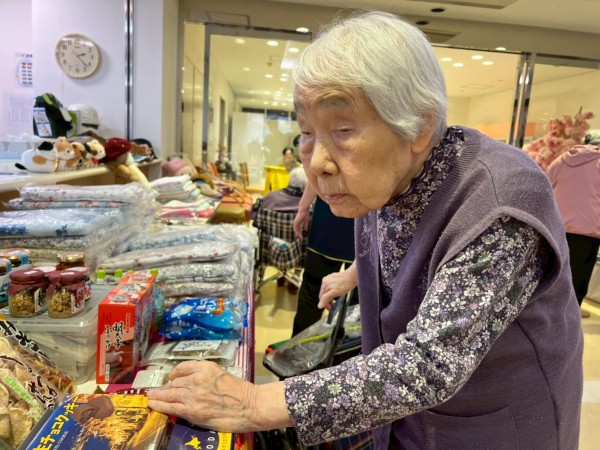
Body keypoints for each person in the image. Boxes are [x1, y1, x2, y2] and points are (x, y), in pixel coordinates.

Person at [147, 11, 583, 449]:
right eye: (306, 132)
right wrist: (357, 273)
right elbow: (414, 238)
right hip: (407, 422)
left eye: (342, 130)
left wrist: (253, 402)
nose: (318, 163)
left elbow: (428, 365)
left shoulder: (502, 201)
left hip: (492, 430)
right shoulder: (388, 172)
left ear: (418, 125)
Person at [292, 182, 356, 334]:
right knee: (359, 299)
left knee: (313, 291)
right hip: (365, 215)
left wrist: (303, 207)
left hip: (329, 214)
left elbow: (315, 174)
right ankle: (349, 345)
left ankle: (300, 345)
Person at [546, 143, 600, 318]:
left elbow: (546, 186)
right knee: (578, 277)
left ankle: (549, 312)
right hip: (587, 229)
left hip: (557, 226)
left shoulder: (561, 160)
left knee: (554, 273)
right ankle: (570, 316)